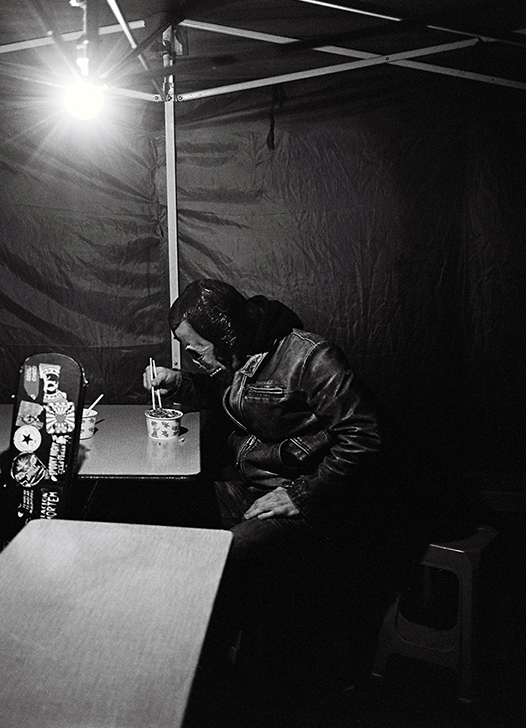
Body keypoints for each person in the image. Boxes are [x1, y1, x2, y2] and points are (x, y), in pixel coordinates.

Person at [143, 280, 402, 695]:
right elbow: (224, 393)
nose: (193, 355)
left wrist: (300, 495)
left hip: (312, 496)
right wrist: (179, 382)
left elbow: (366, 435)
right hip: (255, 483)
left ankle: (250, 678)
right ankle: (201, 652)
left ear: (223, 332)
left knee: (226, 555)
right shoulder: (239, 355)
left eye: (196, 347)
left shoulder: (309, 357)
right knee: (169, 513)